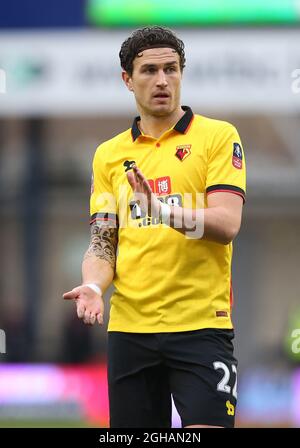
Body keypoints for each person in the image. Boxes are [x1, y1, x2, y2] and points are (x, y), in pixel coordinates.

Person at [63, 26, 246, 428]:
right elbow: (103, 241)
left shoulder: (218, 137)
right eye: (149, 71)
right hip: (131, 330)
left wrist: (161, 211)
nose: (162, 80)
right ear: (127, 79)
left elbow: (226, 223)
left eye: (171, 69)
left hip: (201, 325)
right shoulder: (109, 155)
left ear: (182, 73)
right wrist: (94, 285)